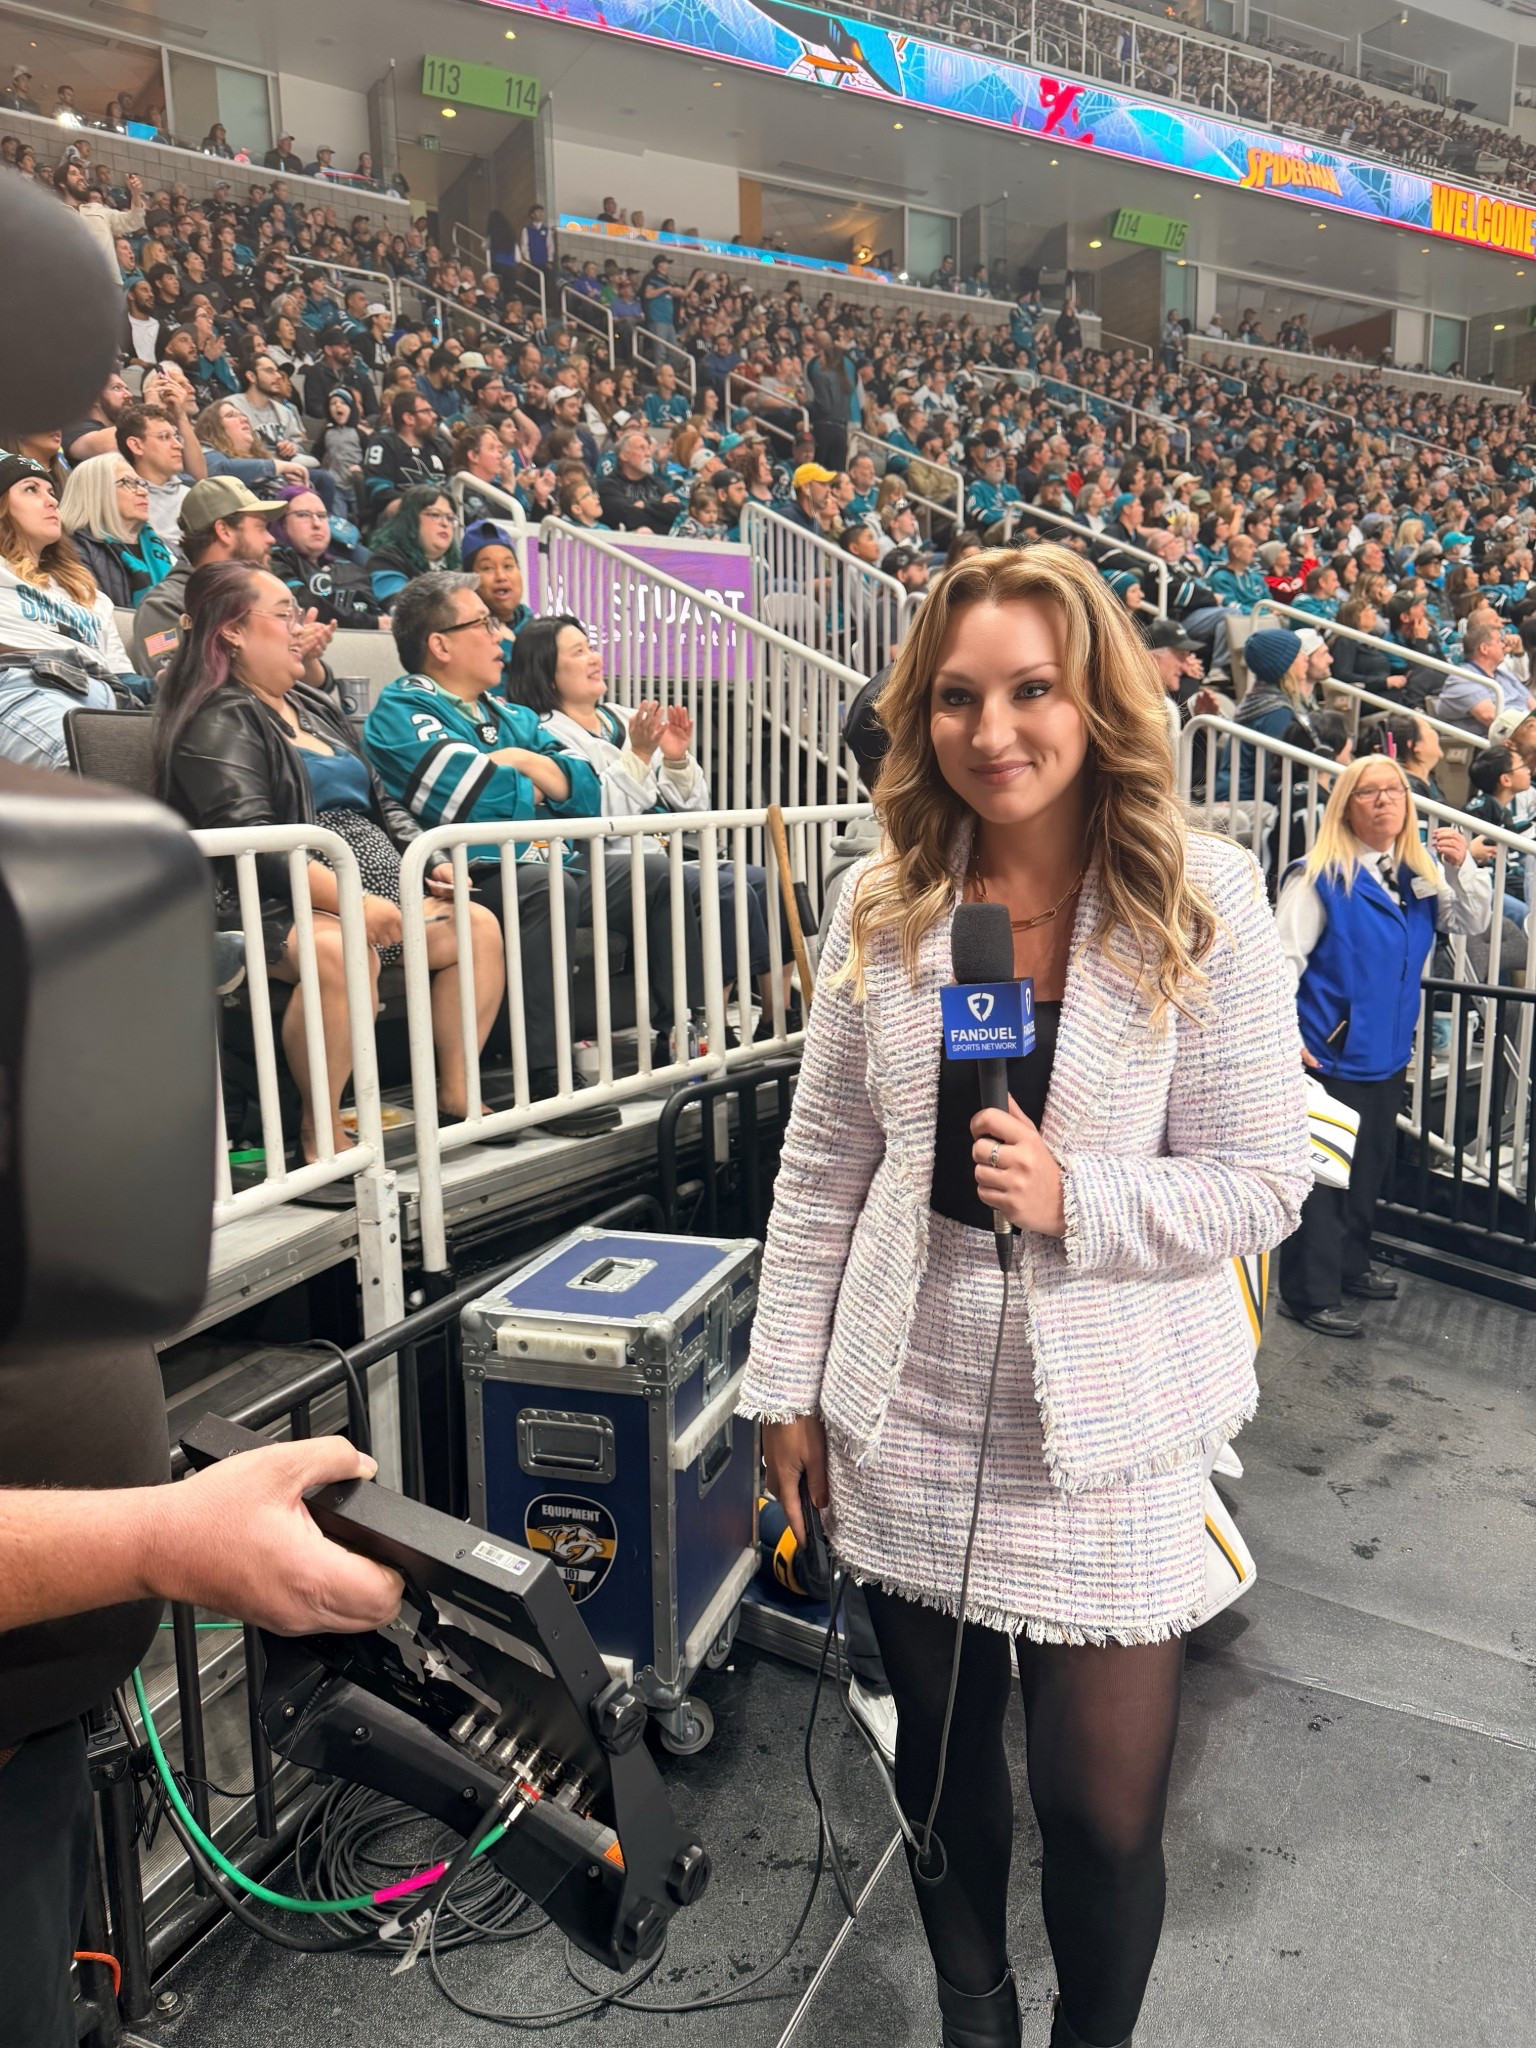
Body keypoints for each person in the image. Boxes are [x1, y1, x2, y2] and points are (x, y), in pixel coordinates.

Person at [737, 544, 1310, 2048]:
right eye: (956, 698)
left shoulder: (1205, 900)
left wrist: (1078, 1200)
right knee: (939, 1762)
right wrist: (781, 1389)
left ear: (1094, 698)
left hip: (1112, 1433)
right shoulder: (887, 904)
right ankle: (974, 2015)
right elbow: (820, 1176)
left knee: (1103, 1814)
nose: (992, 731)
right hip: (903, 1400)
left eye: (1031, 691)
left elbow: (1263, 1181)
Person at [155, 561, 504, 1159]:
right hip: (268, 901)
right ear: (233, 631)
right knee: (343, 951)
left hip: (370, 888)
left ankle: (456, 1095)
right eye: (285, 614)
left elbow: (383, 803)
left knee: (476, 926)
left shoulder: (312, 705)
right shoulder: (218, 714)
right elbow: (253, 840)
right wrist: (350, 900)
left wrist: (427, 864)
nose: (301, 626)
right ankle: (322, 1131)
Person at [361, 572, 620, 1136]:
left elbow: (583, 790)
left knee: (661, 873)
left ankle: (692, 1041)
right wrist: (532, 776)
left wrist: (519, 763)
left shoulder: (511, 715)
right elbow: (469, 800)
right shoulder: (400, 709)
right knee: (546, 885)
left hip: (546, 856)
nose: (501, 637)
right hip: (470, 873)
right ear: (441, 644)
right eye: (483, 624)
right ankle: (547, 1080)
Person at [1277, 754, 1491, 1338]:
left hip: (1389, 1052)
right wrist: (1286, 1037)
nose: (1384, 801)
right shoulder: (1317, 874)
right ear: (1346, 805)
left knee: (1369, 1168)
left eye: (1393, 790)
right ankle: (1307, 1292)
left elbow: (1470, 919)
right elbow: (1279, 964)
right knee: (1323, 1180)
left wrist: (1463, 864)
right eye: (1369, 792)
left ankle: (1350, 1266)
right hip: (1328, 1056)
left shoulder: (1415, 875)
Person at [0, 453, 139, 681]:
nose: (52, 501)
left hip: (99, 698)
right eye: (31, 489)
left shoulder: (88, 593)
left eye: (51, 492)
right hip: (26, 685)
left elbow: (123, 677)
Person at [57, 451, 177, 609]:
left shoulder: (165, 545)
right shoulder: (75, 551)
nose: (143, 491)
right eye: (128, 483)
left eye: (140, 483)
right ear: (96, 491)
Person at [269, 485, 387, 629]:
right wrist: (372, 623)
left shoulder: (349, 567)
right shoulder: (273, 558)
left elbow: (379, 615)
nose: (316, 524)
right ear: (282, 523)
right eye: (303, 515)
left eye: (322, 516)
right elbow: (302, 603)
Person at [361, 389, 448, 524]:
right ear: (408, 418)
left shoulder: (438, 446)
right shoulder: (384, 444)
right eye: (426, 411)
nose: (434, 415)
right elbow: (378, 491)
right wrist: (421, 505)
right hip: (399, 521)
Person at [367, 485, 460, 606]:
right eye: (434, 515)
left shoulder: (453, 569)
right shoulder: (385, 561)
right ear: (410, 519)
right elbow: (401, 610)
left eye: (450, 518)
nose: (444, 523)